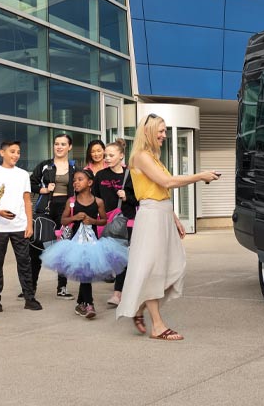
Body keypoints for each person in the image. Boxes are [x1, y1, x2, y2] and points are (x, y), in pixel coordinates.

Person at [116, 114, 218, 340]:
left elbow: (159, 191)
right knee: (153, 269)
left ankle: (141, 308)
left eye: (164, 131)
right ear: (148, 132)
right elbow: (167, 183)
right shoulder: (142, 156)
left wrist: (173, 216)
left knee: (173, 265)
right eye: (160, 131)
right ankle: (158, 325)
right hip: (151, 217)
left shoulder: (153, 156)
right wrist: (200, 175)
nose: (164, 135)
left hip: (161, 214)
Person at [43, 170, 126, 320]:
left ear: (89, 183)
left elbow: (104, 220)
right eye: (74, 180)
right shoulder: (71, 201)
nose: (76, 182)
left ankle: (82, 302)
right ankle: (89, 304)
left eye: (80, 179)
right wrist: (74, 217)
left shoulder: (98, 202)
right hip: (76, 244)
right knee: (85, 273)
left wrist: (92, 221)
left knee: (85, 272)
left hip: (93, 244)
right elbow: (63, 220)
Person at [0, 140, 41, 312]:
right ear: (2, 153)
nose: (16, 155)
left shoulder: (23, 174)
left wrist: (29, 224)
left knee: (24, 262)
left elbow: (27, 200)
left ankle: (29, 298)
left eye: (18, 152)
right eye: (12, 151)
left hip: (19, 226)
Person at [29, 134, 77, 300]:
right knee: (36, 248)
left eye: (63, 144)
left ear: (69, 147)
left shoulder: (74, 168)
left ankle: (62, 287)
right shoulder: (45, 166)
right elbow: (31, 183)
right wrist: (43, 190)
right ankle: (30, 287)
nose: (59, 147)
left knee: (63, 249)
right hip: (46, 210)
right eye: (56, 143)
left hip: (66, 211)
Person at [92, 139, 137, 307]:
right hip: (105, 221)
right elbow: (94, 199)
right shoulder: (100, 175)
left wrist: (127, 197)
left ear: (121, 156)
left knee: (122, 257)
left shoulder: (131, 174)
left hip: (126, 221)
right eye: (106, 155)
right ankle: (119, 285)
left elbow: (139, 198)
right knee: (109, 256)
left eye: (111, 155)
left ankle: (118, 294)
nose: (107, 158)